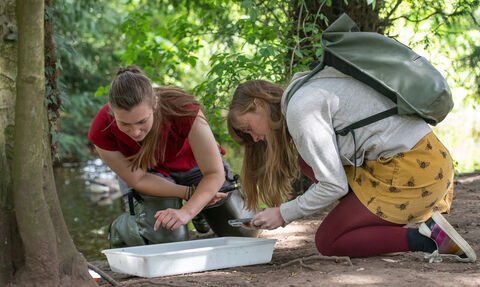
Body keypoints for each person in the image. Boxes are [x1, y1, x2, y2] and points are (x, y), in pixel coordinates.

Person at [227, 66, 477, 263]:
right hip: (427, 158)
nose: (256, 138)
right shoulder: (303, 88)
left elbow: (333, 185)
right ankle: (376, 230)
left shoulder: (300, 110)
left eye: (249, 129)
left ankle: (429, 239)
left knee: (329, 240)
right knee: (309, 163)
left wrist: (284, 213)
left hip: (415, 169)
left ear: (258, 103)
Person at [88, 65, 258, 248]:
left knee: (244, 230)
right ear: (113, 113)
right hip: (149, 175)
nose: (135, 132)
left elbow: (214, 173)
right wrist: (190, 195)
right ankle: (120, 228)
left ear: (155, 103)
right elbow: (137, 179)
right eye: (125, 124)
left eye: (142, 121)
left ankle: (202, 213)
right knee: (168, 240)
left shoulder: (183, 107)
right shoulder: (101, 128)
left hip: (194, 166)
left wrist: (188, 210)